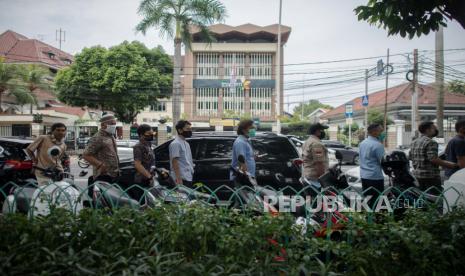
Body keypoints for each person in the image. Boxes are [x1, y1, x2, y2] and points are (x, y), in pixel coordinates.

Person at [409, 122, 458, 194]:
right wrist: (452, 165)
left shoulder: (414, 142)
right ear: (427, 130)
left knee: (423, 197)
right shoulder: (431, 142)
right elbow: (433, 159)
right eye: (434, 128)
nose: (436, 130)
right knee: (435, 199)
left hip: (418, 175)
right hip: (430, 176)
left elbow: (410, 157)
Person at [83, 114, 120, 196]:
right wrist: (100, 165)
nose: (114, 126)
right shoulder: (98, 138)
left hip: (113, 174)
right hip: (103, 175)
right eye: (112, 124)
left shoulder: (110, 136)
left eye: (115, 123)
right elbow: (86, 155)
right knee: (103, 200)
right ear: (103, 125)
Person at [358, 123, 385, 210]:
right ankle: (376, 220)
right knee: (376, 201)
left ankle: (367, 218)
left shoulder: (362, 143)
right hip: (375, 177)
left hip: (364, 175)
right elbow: (382, 161)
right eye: (381, 131)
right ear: (374, 132)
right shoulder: (378, 145)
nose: (382, 133)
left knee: (367, 198)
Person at [132, 124, 156, 201]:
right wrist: (149, 176)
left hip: (149, 180)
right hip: (142, 180)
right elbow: (137, 164)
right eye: (149, 134)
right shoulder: (138, 147)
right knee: (143, 203)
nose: (151, 135)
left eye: (152, 133)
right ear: (141, 135)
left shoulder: (149, 145)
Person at [169, 120, 194, 186]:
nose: (190, 131)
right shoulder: (175, 144)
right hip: (181, 179)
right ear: (180, 130)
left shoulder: (186, 143)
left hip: (188, 177)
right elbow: (174, 162)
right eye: (187, 129)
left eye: (190, 129)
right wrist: (178, 178)